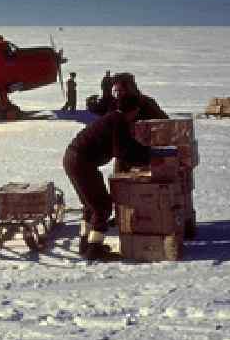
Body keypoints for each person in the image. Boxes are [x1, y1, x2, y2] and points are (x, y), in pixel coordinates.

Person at [63, 94, 164, 261]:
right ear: (134, 110)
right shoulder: (119, 121)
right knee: (102, 205)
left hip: (74, 159)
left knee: (91, 204)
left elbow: (127, 145)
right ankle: (94, 249)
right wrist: (150, 157)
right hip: (81, 162)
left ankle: (85, 242)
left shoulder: (114, 118)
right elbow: (122, 151)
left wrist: (146, 152)